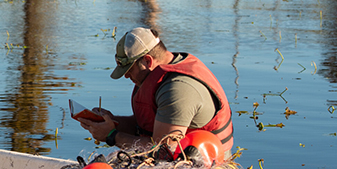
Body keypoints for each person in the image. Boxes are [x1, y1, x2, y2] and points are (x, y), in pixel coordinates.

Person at [75, 27, 233, 156]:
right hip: (175, 160)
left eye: (129, 69)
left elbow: (163, 150)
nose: (126, 76)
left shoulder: (178, 89)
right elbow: (145, 126)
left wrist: (111, 136)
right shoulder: (151, 75)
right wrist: (111, 122)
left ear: (148, 61)